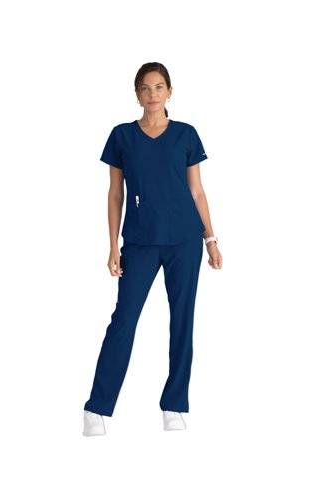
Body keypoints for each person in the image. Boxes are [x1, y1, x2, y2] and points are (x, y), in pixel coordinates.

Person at [83, 62, 222, 436]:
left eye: (159, 87)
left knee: (182, 321)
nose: (152, 94)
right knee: (124, 320)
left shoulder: (186, 135)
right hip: (140, 242)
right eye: (145, 88)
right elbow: (115, 194)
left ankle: (174, 406)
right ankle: (97, 409)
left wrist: (211, 239)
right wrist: (112, 246)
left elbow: (197, 191)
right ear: (137, 94)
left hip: (184, 241)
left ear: (169, 92)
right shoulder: (122, 137)